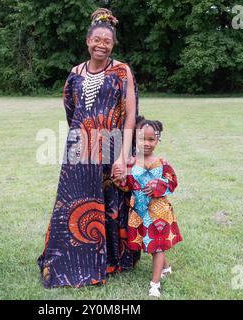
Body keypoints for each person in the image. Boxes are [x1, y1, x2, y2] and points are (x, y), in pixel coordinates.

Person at [37, 8, 140, 288]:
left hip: (110, 148)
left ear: (113, 44)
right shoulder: (74, 74)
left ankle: (109, 261)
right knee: (73, 204)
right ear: (87, 41)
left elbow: (130, 114)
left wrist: (121, 154)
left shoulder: (122, 71)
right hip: (79, 150)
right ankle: (68, 261)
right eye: (97, 39)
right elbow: (71, 111)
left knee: (109, 202)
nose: (101, 44)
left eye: (107, 40)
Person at [116, 115, 183, 297]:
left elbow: (172, 183)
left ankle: (155, 284)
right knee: (151, 243)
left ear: (157, 140)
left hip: (158, 212)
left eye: (151, 139)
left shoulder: (162, 164)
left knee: (157, 245)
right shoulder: (130, 163)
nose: (146, 143)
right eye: (142, 139)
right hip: (139, 211)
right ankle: (166, 268)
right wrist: (120, 179)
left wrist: (158, 185)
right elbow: (127, 185)